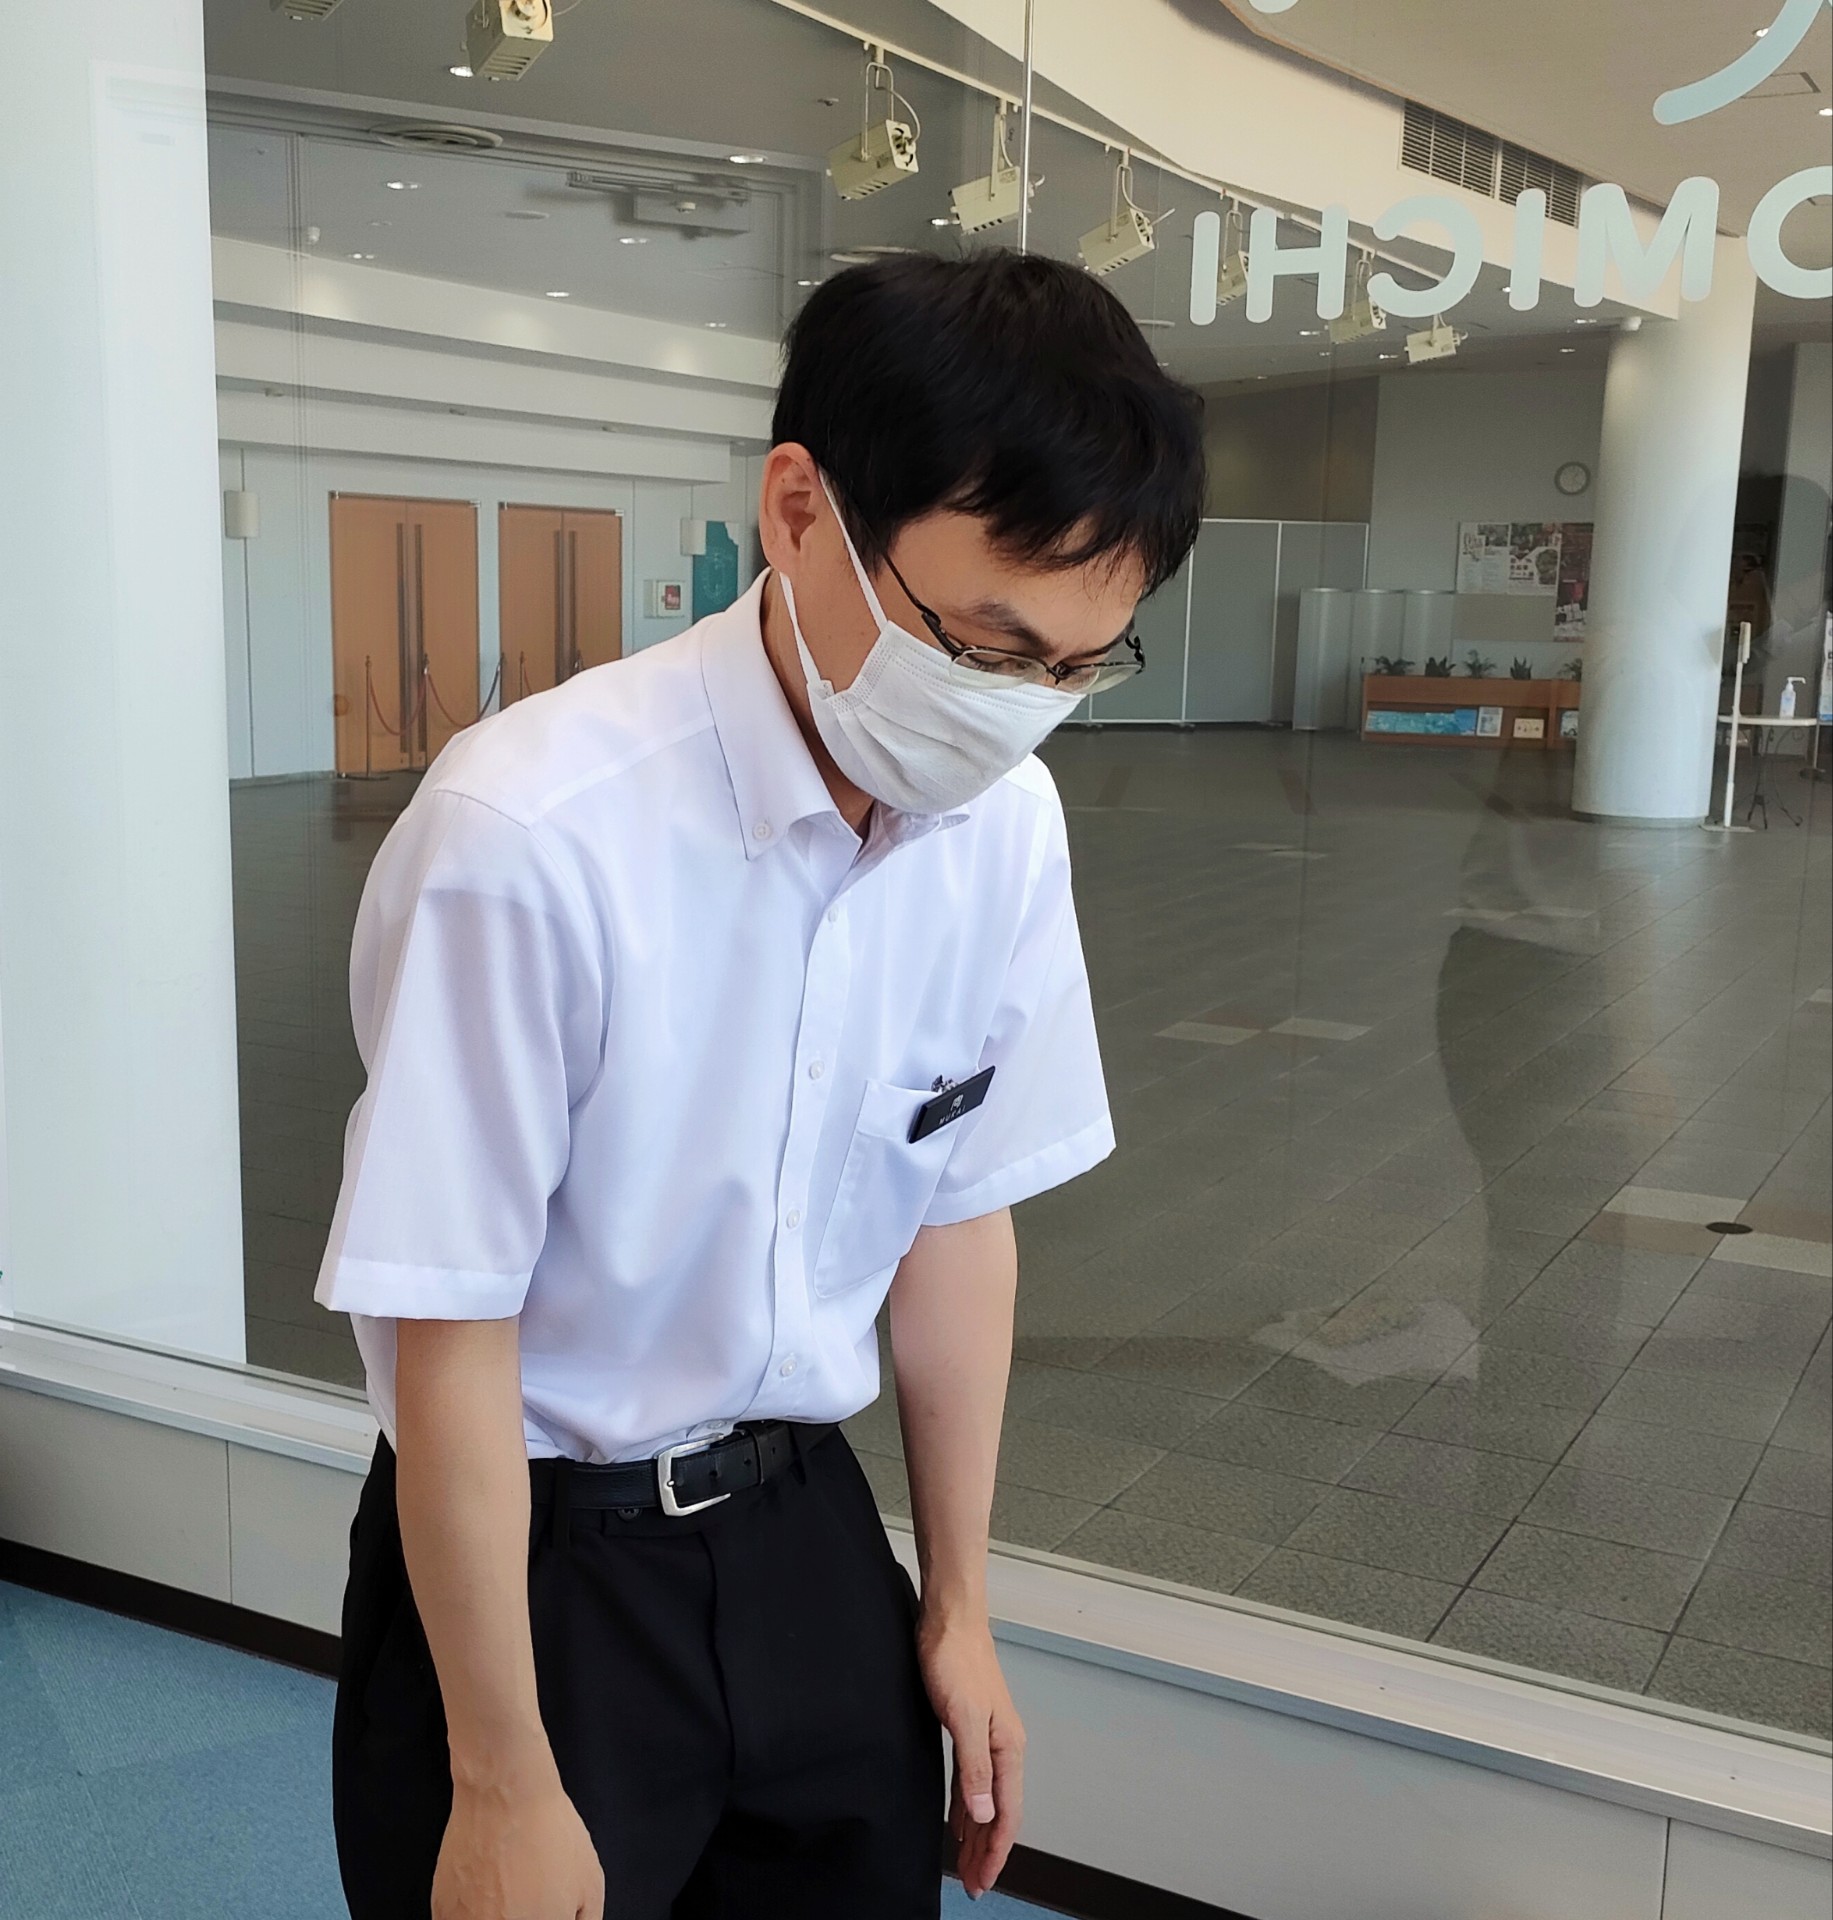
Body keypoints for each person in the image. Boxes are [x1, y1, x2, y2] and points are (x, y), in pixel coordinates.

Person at [316, 249, 1205, 1920]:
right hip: (533, 1567)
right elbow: (449, 1325)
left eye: (1078, 668)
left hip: (806, 1530)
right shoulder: (529, 833)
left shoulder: (1002, 831)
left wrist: (958, 1606)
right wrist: (499, 1776)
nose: (1014, 715)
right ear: (799, 511)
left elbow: (956, 1215)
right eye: (984, 642)